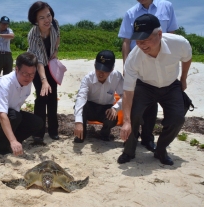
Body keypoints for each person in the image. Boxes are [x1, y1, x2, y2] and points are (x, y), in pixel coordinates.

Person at [117, 14, 192, 165]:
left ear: (159, 34)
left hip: (171, 85)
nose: (142, 45)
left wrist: (183, 78)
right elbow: (128, 92)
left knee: (177, 118)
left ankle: (161, 150)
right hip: (145, 86)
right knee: (134, 115)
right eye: (138, 40)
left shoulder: (179, 43)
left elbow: (187, 58)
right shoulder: (133, 58)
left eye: (145, 39)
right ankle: (129, 151)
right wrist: (126, 122)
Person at [118, 0, 178, 152]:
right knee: (137, 104)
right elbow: (126, 41)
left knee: (152, 106)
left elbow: (171, 35)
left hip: (160, 61)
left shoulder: (166, 6)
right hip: (138, 63)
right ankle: (130, 141)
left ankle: (147, 139)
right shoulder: (130, 13)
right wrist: (126, 65)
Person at [0, 52, 43, 156]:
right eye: (24, 73)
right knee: (15, 116)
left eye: (32, 74)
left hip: (12, 112)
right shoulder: (4, 83)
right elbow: (1, 114)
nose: (28, 77)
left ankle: (11, 143)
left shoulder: (27, 82)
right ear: (16, 69)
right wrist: (12, 140)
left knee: (37, 122)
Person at [27, 1, 60, 143]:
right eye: (42, 18)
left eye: (48, 15)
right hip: (36, 65)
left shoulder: (55, 24)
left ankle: (53, 131)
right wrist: (44, 80)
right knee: (42, 97)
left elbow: (58, 37)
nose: (47, 20)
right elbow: (39, 60)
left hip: (50, 63)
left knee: (53, 97)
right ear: (35, 20)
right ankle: (38, 132)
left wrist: (56, 51)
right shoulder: (33, 35)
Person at [74, 50, 124, 143]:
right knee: (81, 108)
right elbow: (80, 98)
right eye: (98, 69)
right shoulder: (88, 78)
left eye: (105, 71)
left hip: (106, 109)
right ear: (94, 65)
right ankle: (81, 133)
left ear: (112, 68)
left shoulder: (117, 77)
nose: (101, 74)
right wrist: (78, 122)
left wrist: (115, 108)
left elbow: (125, 96)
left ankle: (105, 132)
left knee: (112, 117)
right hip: (90, 107)